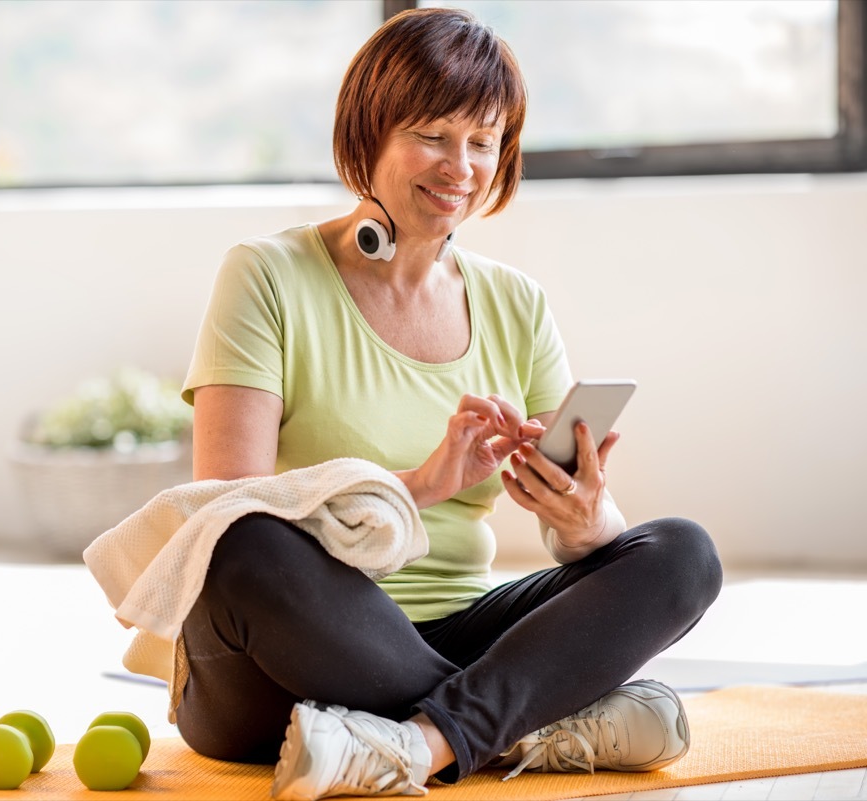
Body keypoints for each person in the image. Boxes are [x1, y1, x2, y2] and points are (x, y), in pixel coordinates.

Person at [175, 8, 722, 800]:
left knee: (682, 551)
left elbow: (593, 537)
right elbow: (219, 510)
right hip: (271, 670)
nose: (461, 165)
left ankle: (422, 740)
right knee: (243, 541)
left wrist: (584, 521)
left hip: (453, 632)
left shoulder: (515, 302)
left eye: (483, 140)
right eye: (433, 134)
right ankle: (522, 721)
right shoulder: (266, 275)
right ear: (368, 134)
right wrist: (420, 486)